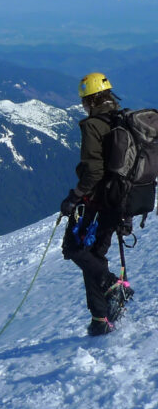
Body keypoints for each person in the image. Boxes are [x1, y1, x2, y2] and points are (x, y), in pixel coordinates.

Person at [60, 72, 134, 337]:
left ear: (89, 100)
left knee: (74, 248)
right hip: (121, 202)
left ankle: (112, 285)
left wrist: (73, 197)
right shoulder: (121, 119)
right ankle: (100, 319)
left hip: (102, 202)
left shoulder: (93, 126)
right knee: (94, 255)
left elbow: (93, 172)